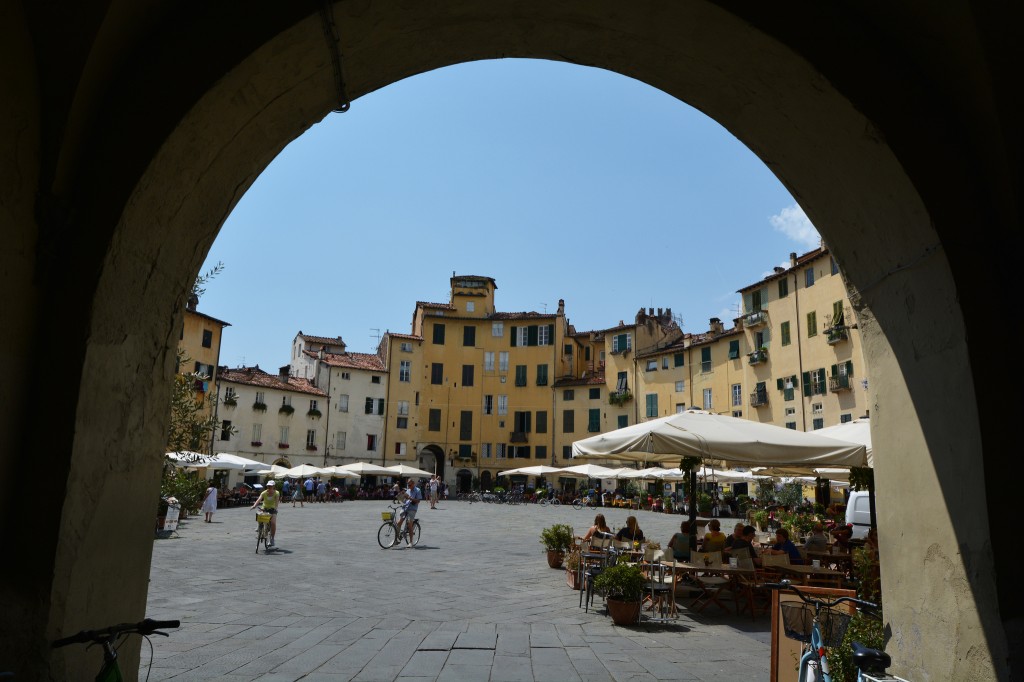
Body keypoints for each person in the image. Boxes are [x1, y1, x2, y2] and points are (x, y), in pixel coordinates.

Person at [250, 479, 281, 547]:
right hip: (264, 508)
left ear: (273, 486)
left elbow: (276, 502)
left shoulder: (276, 493)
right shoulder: (264, 493)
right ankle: (259, 527)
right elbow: (259, 499)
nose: (269, 487)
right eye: (268, 486)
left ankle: (272, 539)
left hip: (272, 509)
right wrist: (254, 506)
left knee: (273, 523)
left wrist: (275, 508)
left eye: (270, 486)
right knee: (259, 515)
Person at [398, 477, 423, 546]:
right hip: (405, 507)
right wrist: (400, 497)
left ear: (413, 484)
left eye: (410, 485)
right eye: (408, 485)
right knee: (399, 522)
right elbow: (404, 501)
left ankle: (411, 542)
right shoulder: (408, 490)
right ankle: (396, 539)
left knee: (409, 524)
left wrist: (410, 498)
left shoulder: (417, 490)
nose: (408, 486)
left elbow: (418, 501)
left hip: (412, 508)